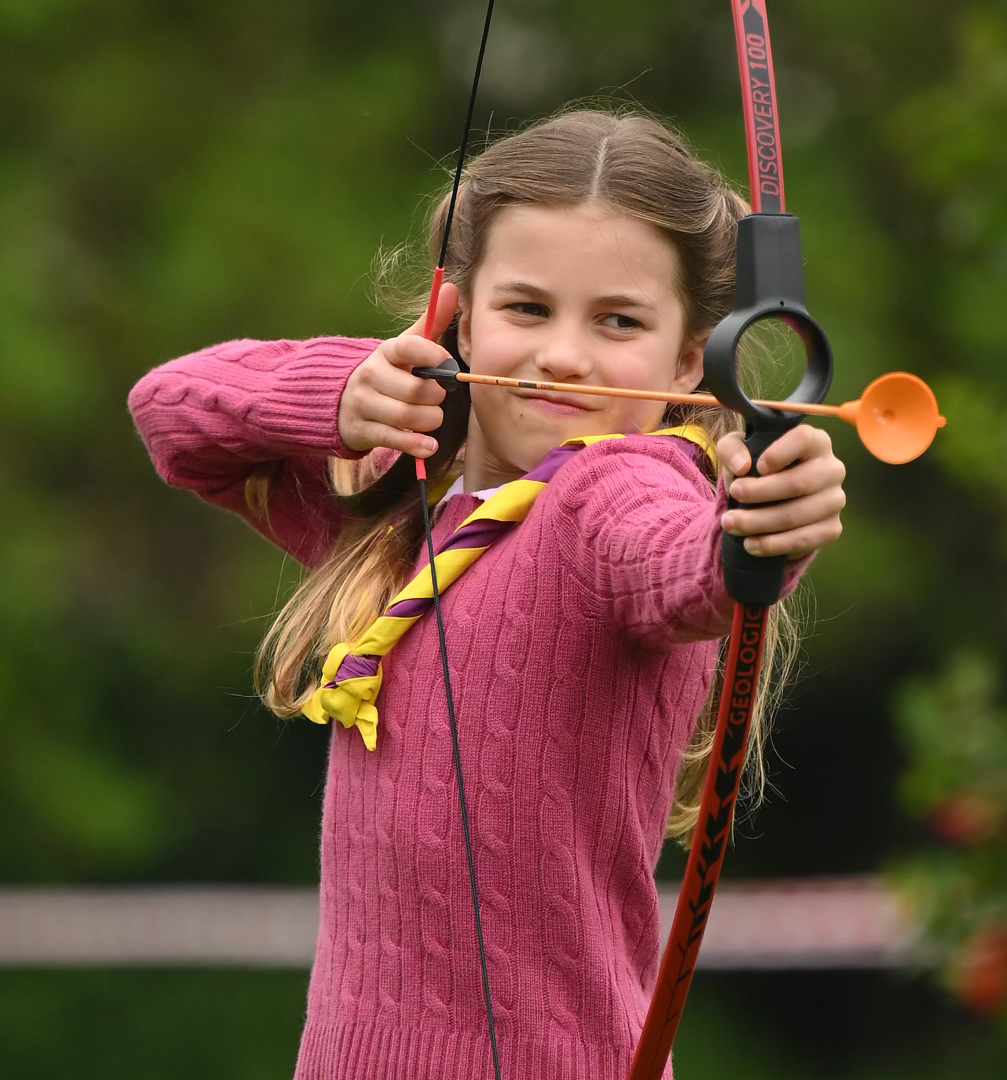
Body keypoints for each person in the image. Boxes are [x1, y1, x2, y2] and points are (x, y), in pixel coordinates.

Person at [129, 109, 845, 1080]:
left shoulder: (613, 490)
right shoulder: (401, 511)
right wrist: (346, 393)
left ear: (691, 360)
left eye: (619, 321)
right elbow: (171, 414)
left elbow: (683, 567)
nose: (563, 354)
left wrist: (761, 529)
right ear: (459, 318)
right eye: (527, 309)